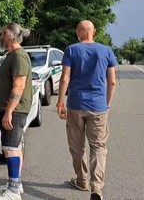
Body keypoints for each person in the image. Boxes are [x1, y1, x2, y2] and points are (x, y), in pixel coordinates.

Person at [56, 20, 117, 200]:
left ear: (78, 33)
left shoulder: (71, 50)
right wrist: (106, 104)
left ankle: (81, 180)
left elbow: (65, 78)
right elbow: (112, 82)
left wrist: (60, 102)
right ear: (94, 32)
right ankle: (96, 187)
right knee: (98, 146)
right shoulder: (106, 51)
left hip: (75, 104)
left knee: (76, 146)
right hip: (98, 106)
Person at [0, 23, 32, 200]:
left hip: (15, 111)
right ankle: (15, 184)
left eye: (2, 33)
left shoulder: (19, 57)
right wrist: (0, 110)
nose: (1, 36)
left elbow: (19, 85)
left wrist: (8, 112)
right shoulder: (12, 55)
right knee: (13, 147)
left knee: (9, 148)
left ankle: (14, 193)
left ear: (9, 34)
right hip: (8, 110)